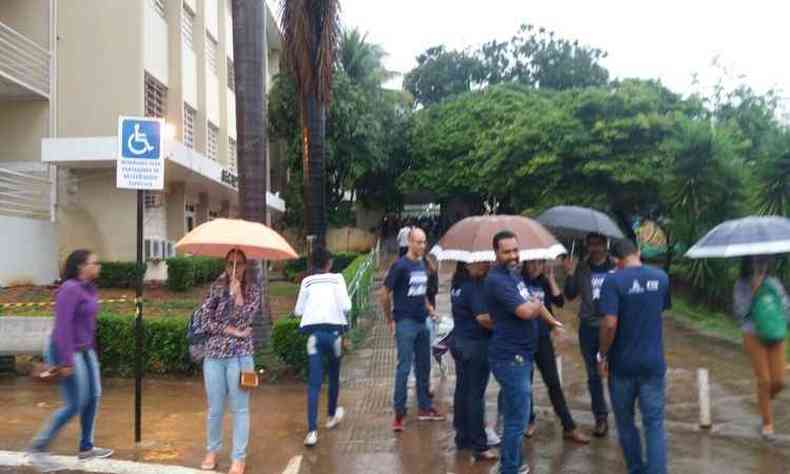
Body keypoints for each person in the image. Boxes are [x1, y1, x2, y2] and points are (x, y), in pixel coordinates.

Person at [29, 250, 113, 471]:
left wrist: (92, 350)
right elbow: (62, 327)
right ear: (80, 267)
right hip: (65, 349)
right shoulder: (69, 289)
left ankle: (86, 447)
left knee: (93, 395)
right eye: (95, 263)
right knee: (75, 403)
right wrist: (66, 361)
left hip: (85, 349)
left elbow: (87, 324)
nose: (99, 266)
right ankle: (38, 448)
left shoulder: (89, 288)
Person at [485, 230, 559, 474]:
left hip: (521, 354)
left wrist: (551, 321)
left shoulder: (513, 276)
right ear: (496, 253)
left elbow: (532, 305)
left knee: (513, 415)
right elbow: (526, 311)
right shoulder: (497, 280)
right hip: (510, 357)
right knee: (518, 418)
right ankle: (509, 468)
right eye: (507, 251)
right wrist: (537, 305)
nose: (513, 255)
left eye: (515, 250)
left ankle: (511, 463)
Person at [597, 239, 670, 474]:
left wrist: (602, 354)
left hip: (622, 366)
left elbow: (609, 324)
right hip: (653, 363)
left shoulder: (613, 280)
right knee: (654, 424)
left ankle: (636, 470)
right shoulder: (661, 278)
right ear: (638, 253)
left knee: (626, 423)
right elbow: (658, 312)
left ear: (615, 261)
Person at [197, 249, 260, 474]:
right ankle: (212, 451)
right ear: (225, 265)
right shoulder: (215, 287)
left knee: (241, 409)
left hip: (242, 358)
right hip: (214, 356)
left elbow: (248, 319)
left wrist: (238, 297)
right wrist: (232, 329)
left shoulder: (253, 290)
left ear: (246, 266)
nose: (235, 268)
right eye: (230, 263)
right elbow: (205, 321)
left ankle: (238, 458)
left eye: (239, 264)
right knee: (214, 409)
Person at [381, 227, 445, 432]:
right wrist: (390, 320)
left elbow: (421, 292)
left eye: (424, 242)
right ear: (409, 242)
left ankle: (425, 407)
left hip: (422, 322)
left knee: (424, 366)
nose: (422, 246)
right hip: (405, 323)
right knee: (404, 368)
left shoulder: (421, 265)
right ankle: (399, 414)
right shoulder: (400, 266)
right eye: (418, 242)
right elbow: (384, 294)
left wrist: (430, 309)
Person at [521, 260, 590, 444]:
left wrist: (551, 279)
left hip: (543, 338)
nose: (537, 267)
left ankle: (569, 427)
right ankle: (528, 420)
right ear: (525, 263)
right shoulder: (518, 281)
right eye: (533, 264)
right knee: (525, 384)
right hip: (523, 340)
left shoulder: (543, 281)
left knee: (553, 383)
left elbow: (559, 302)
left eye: (540, 264)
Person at [295, 247, 352, 447]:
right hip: (334, 335)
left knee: (314, 384)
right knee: (334, 377)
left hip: (313, 337)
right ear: (329, 263)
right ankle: (330, 416)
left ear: (312, 264)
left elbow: (298, 310)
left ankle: (311, 432)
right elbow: (347, 306)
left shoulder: (306, 281)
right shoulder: (337, 279)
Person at [562, 232, 616, 437]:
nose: (594, 248)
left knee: (614, 373)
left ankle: (620, 414)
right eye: (590, 244)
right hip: (588, 327)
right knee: (593, 375)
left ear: (605, 244)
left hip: (612, 327)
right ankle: (600, 418)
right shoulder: (582, 267)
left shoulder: (616, 267)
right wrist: (569, 273)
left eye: (598, 244)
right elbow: (570, 294)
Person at [733, 255, 790, 438]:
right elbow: (741, 312)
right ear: (749, 263)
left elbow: (785, 306)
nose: (761, 265)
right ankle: (767, 424)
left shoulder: (774, 283)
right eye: (757, 261)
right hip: (753, 333)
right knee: (764, 380)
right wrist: (755, 292)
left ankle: (763, 400)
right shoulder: (741, 285)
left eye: (764, 261)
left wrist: (783, 322)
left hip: (775, 332)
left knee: (779, 381)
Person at [450, 261, 498, 461]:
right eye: (482, 261)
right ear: (469, 264)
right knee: (475, 395)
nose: (486, 264)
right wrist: (504, 325)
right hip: (475, 345)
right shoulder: (472, 286)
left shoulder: (457, 285)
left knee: (462, 391)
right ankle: (479, 445)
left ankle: (462, 437)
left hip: (459, 343)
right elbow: (483, 318)